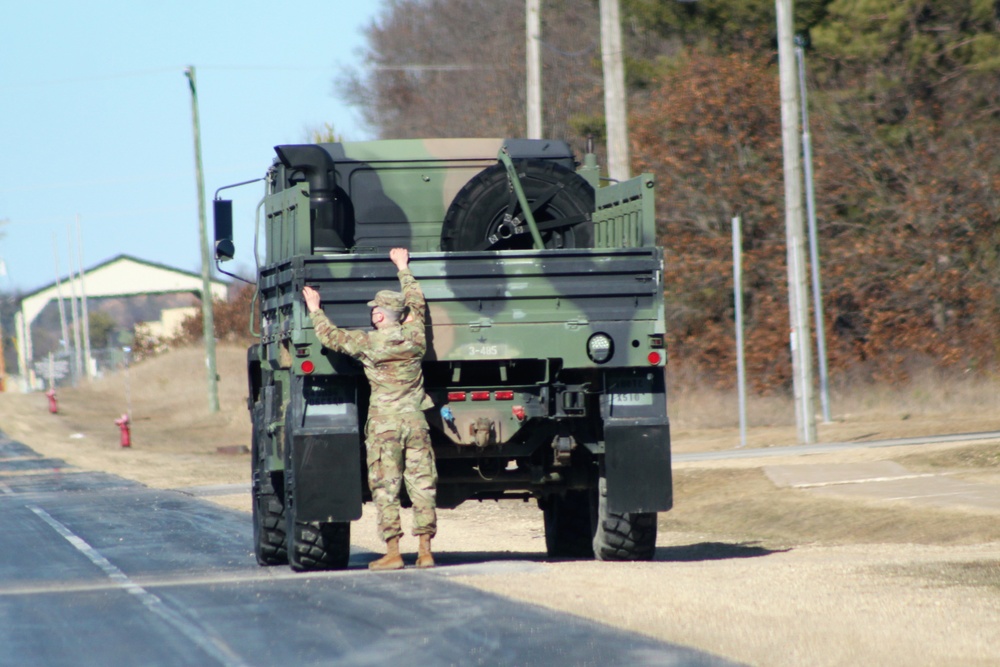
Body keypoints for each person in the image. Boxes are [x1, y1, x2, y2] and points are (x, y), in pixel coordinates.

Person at [302, 248, 437, 570]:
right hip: (416, 422)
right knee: (422, 483)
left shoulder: (368, 344)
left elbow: (331, 338)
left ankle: (393, 553)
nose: (372, 313)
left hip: (384, 426)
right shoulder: (415, 337)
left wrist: (315, 309)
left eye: (374, 310)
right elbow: (417, 302)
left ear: (379, 316)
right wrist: (403, 267)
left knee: (386, 486)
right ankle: (425, 550)